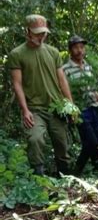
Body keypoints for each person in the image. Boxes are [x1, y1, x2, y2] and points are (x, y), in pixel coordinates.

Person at [7, 14, 73, 176]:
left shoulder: (53, 52)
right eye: (37, 33)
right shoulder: (17, 54)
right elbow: (17, 84)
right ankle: (38, 177)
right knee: (35, 139)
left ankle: (64, 177)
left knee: (62, 142)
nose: (41, 36)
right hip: (34, 108)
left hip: (56, 107)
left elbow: (62, 80)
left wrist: (70, 105)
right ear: (27, 31)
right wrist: (25, 110)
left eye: (43, 32)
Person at [63, 35, 98, 175]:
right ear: (70, 50)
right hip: (80, 110)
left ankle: (96, 174)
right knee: (90, 141)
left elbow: (93, 91)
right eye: (75, 47)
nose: (79, 50)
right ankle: (76, 172)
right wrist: (72, 111)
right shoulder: (65, 69)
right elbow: (64, 92)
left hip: (94, 109)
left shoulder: (88, 67)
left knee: (97, 143)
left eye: (81, 47)